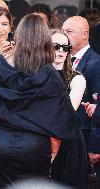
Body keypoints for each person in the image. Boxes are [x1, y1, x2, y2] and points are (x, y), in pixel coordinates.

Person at [0, 14, 79, 189]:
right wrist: (51, 155)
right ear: (44, 39)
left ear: (18, 35)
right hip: (35, 147)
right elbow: (60, 123)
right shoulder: (50, 75)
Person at [62, 16, 100, 180]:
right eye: (62, 31)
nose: (64, 36)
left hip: (84, 137)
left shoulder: (95, 63)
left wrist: (95, 146)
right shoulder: (61, 59)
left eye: (69, 32)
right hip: (64, 134)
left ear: (85, 34)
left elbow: (97, 106)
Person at [49, 29, 88, 189]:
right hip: (39, 141)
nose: (61, 51)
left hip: (68, 143)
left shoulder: (76, 78)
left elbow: (67, 113)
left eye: (65, 47)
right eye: (56, 46)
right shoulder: (34, 75)